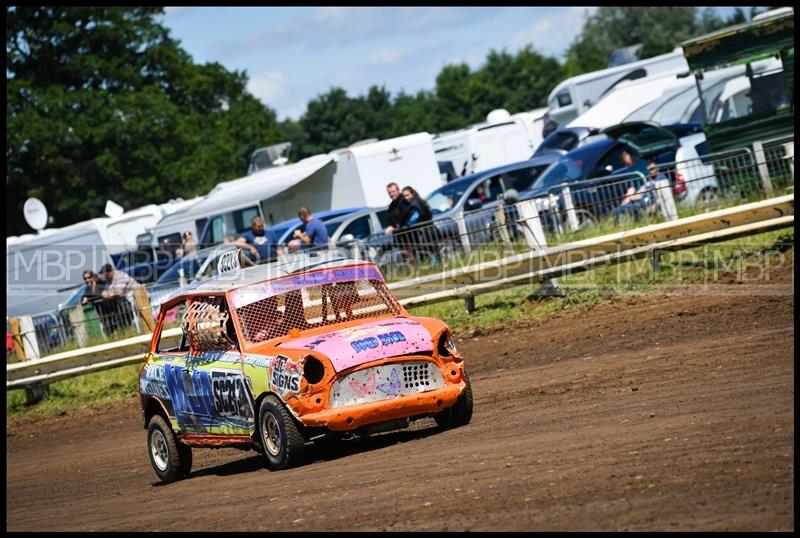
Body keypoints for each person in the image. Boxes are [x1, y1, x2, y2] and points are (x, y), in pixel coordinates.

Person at [614, 159, 664, 224]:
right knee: (618, 209)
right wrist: (630, 196)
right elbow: (641, 191)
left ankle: (632, 221)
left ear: (657, 168)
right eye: (649, 170)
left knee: (630, 207)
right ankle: (620, 223)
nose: (651, 172)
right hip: (642, 202)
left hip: (647, 203)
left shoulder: (661, 179)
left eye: (652, 169)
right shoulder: (648, 180)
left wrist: (655, 205)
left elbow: (663, 196)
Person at [100, 263, 136, 333]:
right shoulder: (109, 280)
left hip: (135, 300)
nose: (104, 276)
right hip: (124, 304)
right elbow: (105, 293)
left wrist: (107, 295)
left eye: (105, 274)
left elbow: (119, 293)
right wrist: (108, 294)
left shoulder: (120, 276)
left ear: (110, 272)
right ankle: (127, 332)